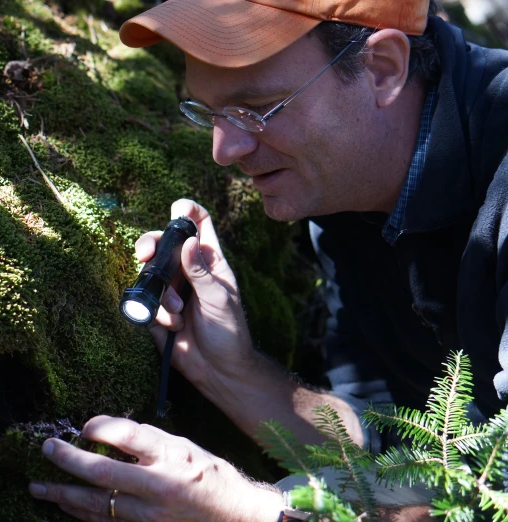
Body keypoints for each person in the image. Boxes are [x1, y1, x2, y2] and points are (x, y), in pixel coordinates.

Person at [27, 0, 508, 519]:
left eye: (256, 109)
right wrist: (230, 373)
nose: (224, 149)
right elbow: (394, 443)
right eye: (209, 112)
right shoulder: (346, 186)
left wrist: (247, 509)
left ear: (383, 69)